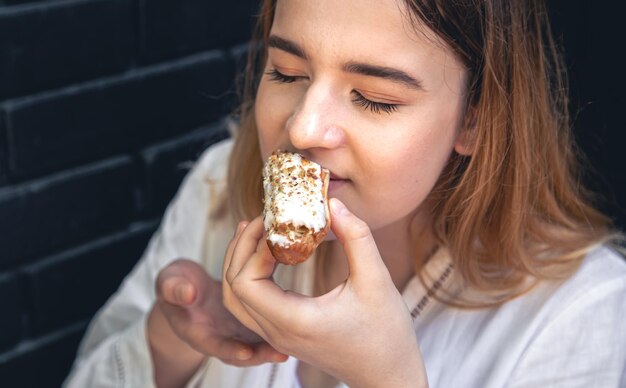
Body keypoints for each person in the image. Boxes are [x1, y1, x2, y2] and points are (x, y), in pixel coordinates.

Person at [64, 0, 626, 387]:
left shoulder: (583, 311)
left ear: (476, 120)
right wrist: (170, 342)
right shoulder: (217, 191)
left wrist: (387, 379)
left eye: (375, 98)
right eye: (285, 71)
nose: (304, 128)